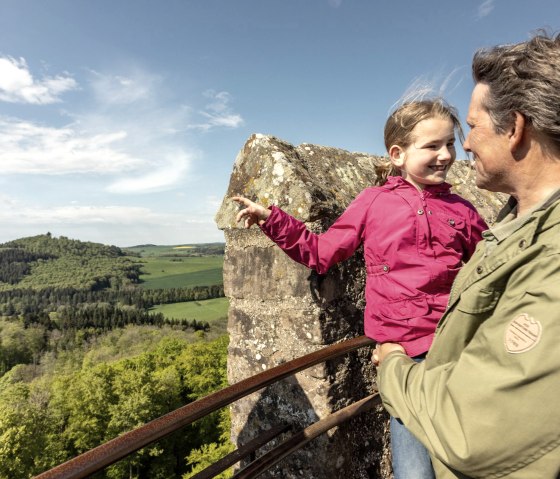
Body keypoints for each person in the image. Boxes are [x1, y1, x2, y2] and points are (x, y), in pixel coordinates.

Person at [233, 98, 487, 479]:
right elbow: (321, 253)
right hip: (402, 359)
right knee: (414, 472)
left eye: (450, 144)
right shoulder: (373, 203)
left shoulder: (463, 211)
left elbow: (489, 271)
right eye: (432, 146)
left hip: (458, 351)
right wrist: (273, 219)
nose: (446, 155)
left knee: (469, 462)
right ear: (398, 154)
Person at [374, 31, 560, 478]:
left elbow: (472, 430)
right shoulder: (515, 221)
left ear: (514, 128)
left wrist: (392, 365)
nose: (465, 146)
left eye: (471, 128)